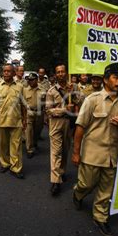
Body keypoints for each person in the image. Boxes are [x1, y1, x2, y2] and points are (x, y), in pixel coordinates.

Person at [71, 62, 118, 236]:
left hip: (113, 155)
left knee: (106, 190)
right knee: (86, 184)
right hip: (92, 154)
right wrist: (76, 153)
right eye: (116, 77)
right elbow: (80, 127)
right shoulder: (92, 100)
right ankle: (78, 193)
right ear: (106, 80)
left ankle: (100, 217)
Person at [0, 64, 27, 179]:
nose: (6, 73)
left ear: (13, 73)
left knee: (16, 145)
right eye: (4, 71)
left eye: (9, 71)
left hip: (16, 120)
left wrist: (25, 119)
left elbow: (23, 105)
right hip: (1, 120)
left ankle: (16, 167)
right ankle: (5, 163)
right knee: (3, 145)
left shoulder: (20, 87)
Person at [46, 64, 79, 196]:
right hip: (55, 123)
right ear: (55, 74)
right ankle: (55, 181)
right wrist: (65, 110)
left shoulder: (73, 87)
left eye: (62, 71)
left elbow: (80, 102)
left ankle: (62, 171)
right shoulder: (51, 91)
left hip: (68, 123)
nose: (60, 74)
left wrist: (73, 94)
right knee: (56, 151)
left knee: (65, 149)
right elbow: (48, 110)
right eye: (58, 72)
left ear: (66, 73)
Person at [23, 73, 46, 159]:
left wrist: (46, 114)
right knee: (28, 131)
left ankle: (34, 142)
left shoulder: (42, 89)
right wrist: (23, 116)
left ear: (36, 80)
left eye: (32, 80)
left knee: (38, 130)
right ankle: (30, 149)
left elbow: (46, 102)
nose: (30, 81)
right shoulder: (25, 90)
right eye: (29, 80)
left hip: (40, 112)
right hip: (29, 112)